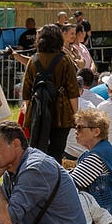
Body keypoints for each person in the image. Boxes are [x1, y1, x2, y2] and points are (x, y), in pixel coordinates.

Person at [22, 23, 80, 162]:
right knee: (57, 152)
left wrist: (29, 111)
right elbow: (72, 90)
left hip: (38, 110)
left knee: (36, 150)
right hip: (61, 113)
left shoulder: (33, 60)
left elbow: (27, 90)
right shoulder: (65, 60)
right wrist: (75, 115)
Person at [67, 108, 112, 219]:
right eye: (75, 127)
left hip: (107, 215)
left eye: (80, 127)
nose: (76, 131)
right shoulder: (104, 150)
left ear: (96, 132)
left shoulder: (98, 156)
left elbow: (69, 184)